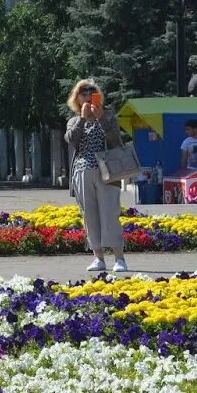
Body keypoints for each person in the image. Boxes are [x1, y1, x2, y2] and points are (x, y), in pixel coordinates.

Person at [65, 79, 129, 273]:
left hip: (107, 171)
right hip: (83, 171)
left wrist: (100, 117)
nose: (87, 95)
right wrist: (84, 119)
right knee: (90, 216)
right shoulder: (74, 120)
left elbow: (115, 139)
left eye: (91, 92)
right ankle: (98, 258)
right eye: (83, 93)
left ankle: (119, 258)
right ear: (77, 98)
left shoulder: (108, 116)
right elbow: (71, 140)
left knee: (110, 214)